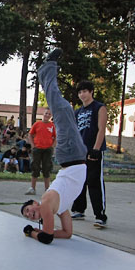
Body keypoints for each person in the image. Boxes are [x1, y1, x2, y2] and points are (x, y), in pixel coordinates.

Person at [19, 49, 88, 245]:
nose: (30, 214)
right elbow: (66, 233)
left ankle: (47, 70)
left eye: (28, 210)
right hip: (77, 157)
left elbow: (47, 237)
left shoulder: (48, 204)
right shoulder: (59, 208)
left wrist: (32, 232)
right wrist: (37, 230)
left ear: (35, 203)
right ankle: (46, 71)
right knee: (65, 110)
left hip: (70, 155)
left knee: (62, 109)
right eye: (29, 217)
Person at [70, 80, 109, 228]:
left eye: (85, 91)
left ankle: (100, 215)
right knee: (80, 180)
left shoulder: (99, 108)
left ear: (91, 91)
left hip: (94, 151)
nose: (82, 94)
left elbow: (101, 129)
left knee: (94, 182)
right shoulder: (78, 112)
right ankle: (79, 209)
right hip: (80, 152)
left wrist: (96, 149)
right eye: (80, 92)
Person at [26, 108, 56, 195]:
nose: (47, 115)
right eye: (46, 113)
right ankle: (32, 188)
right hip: (37, 149)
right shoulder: (37, 124)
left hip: (47, 150)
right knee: (35, 167)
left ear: (51, 116)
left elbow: (55, 137)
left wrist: (52, 146)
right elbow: (30, 134)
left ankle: (47, 189)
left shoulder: (52, 126)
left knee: (47, 168)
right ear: (43, 114)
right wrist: (33, 145)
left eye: (49, 114)